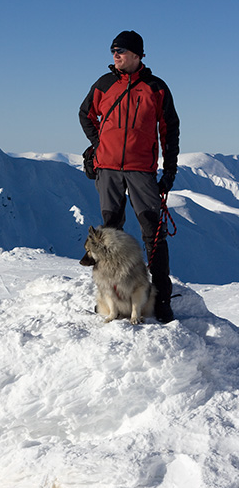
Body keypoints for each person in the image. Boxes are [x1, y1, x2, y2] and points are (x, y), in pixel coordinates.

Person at [79, 30, 179, 323]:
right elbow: (86, 114)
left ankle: (160, 298)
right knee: (109, 233)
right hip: (108, 169)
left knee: (154, 232)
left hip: (141, 169)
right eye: (113, 51)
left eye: (121, 51)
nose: (115, 56)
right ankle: (115, 300)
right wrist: (99, 146)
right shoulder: (105, 83)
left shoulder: (156, 88)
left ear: (138, 55)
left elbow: (170, 130)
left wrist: (169, 169)